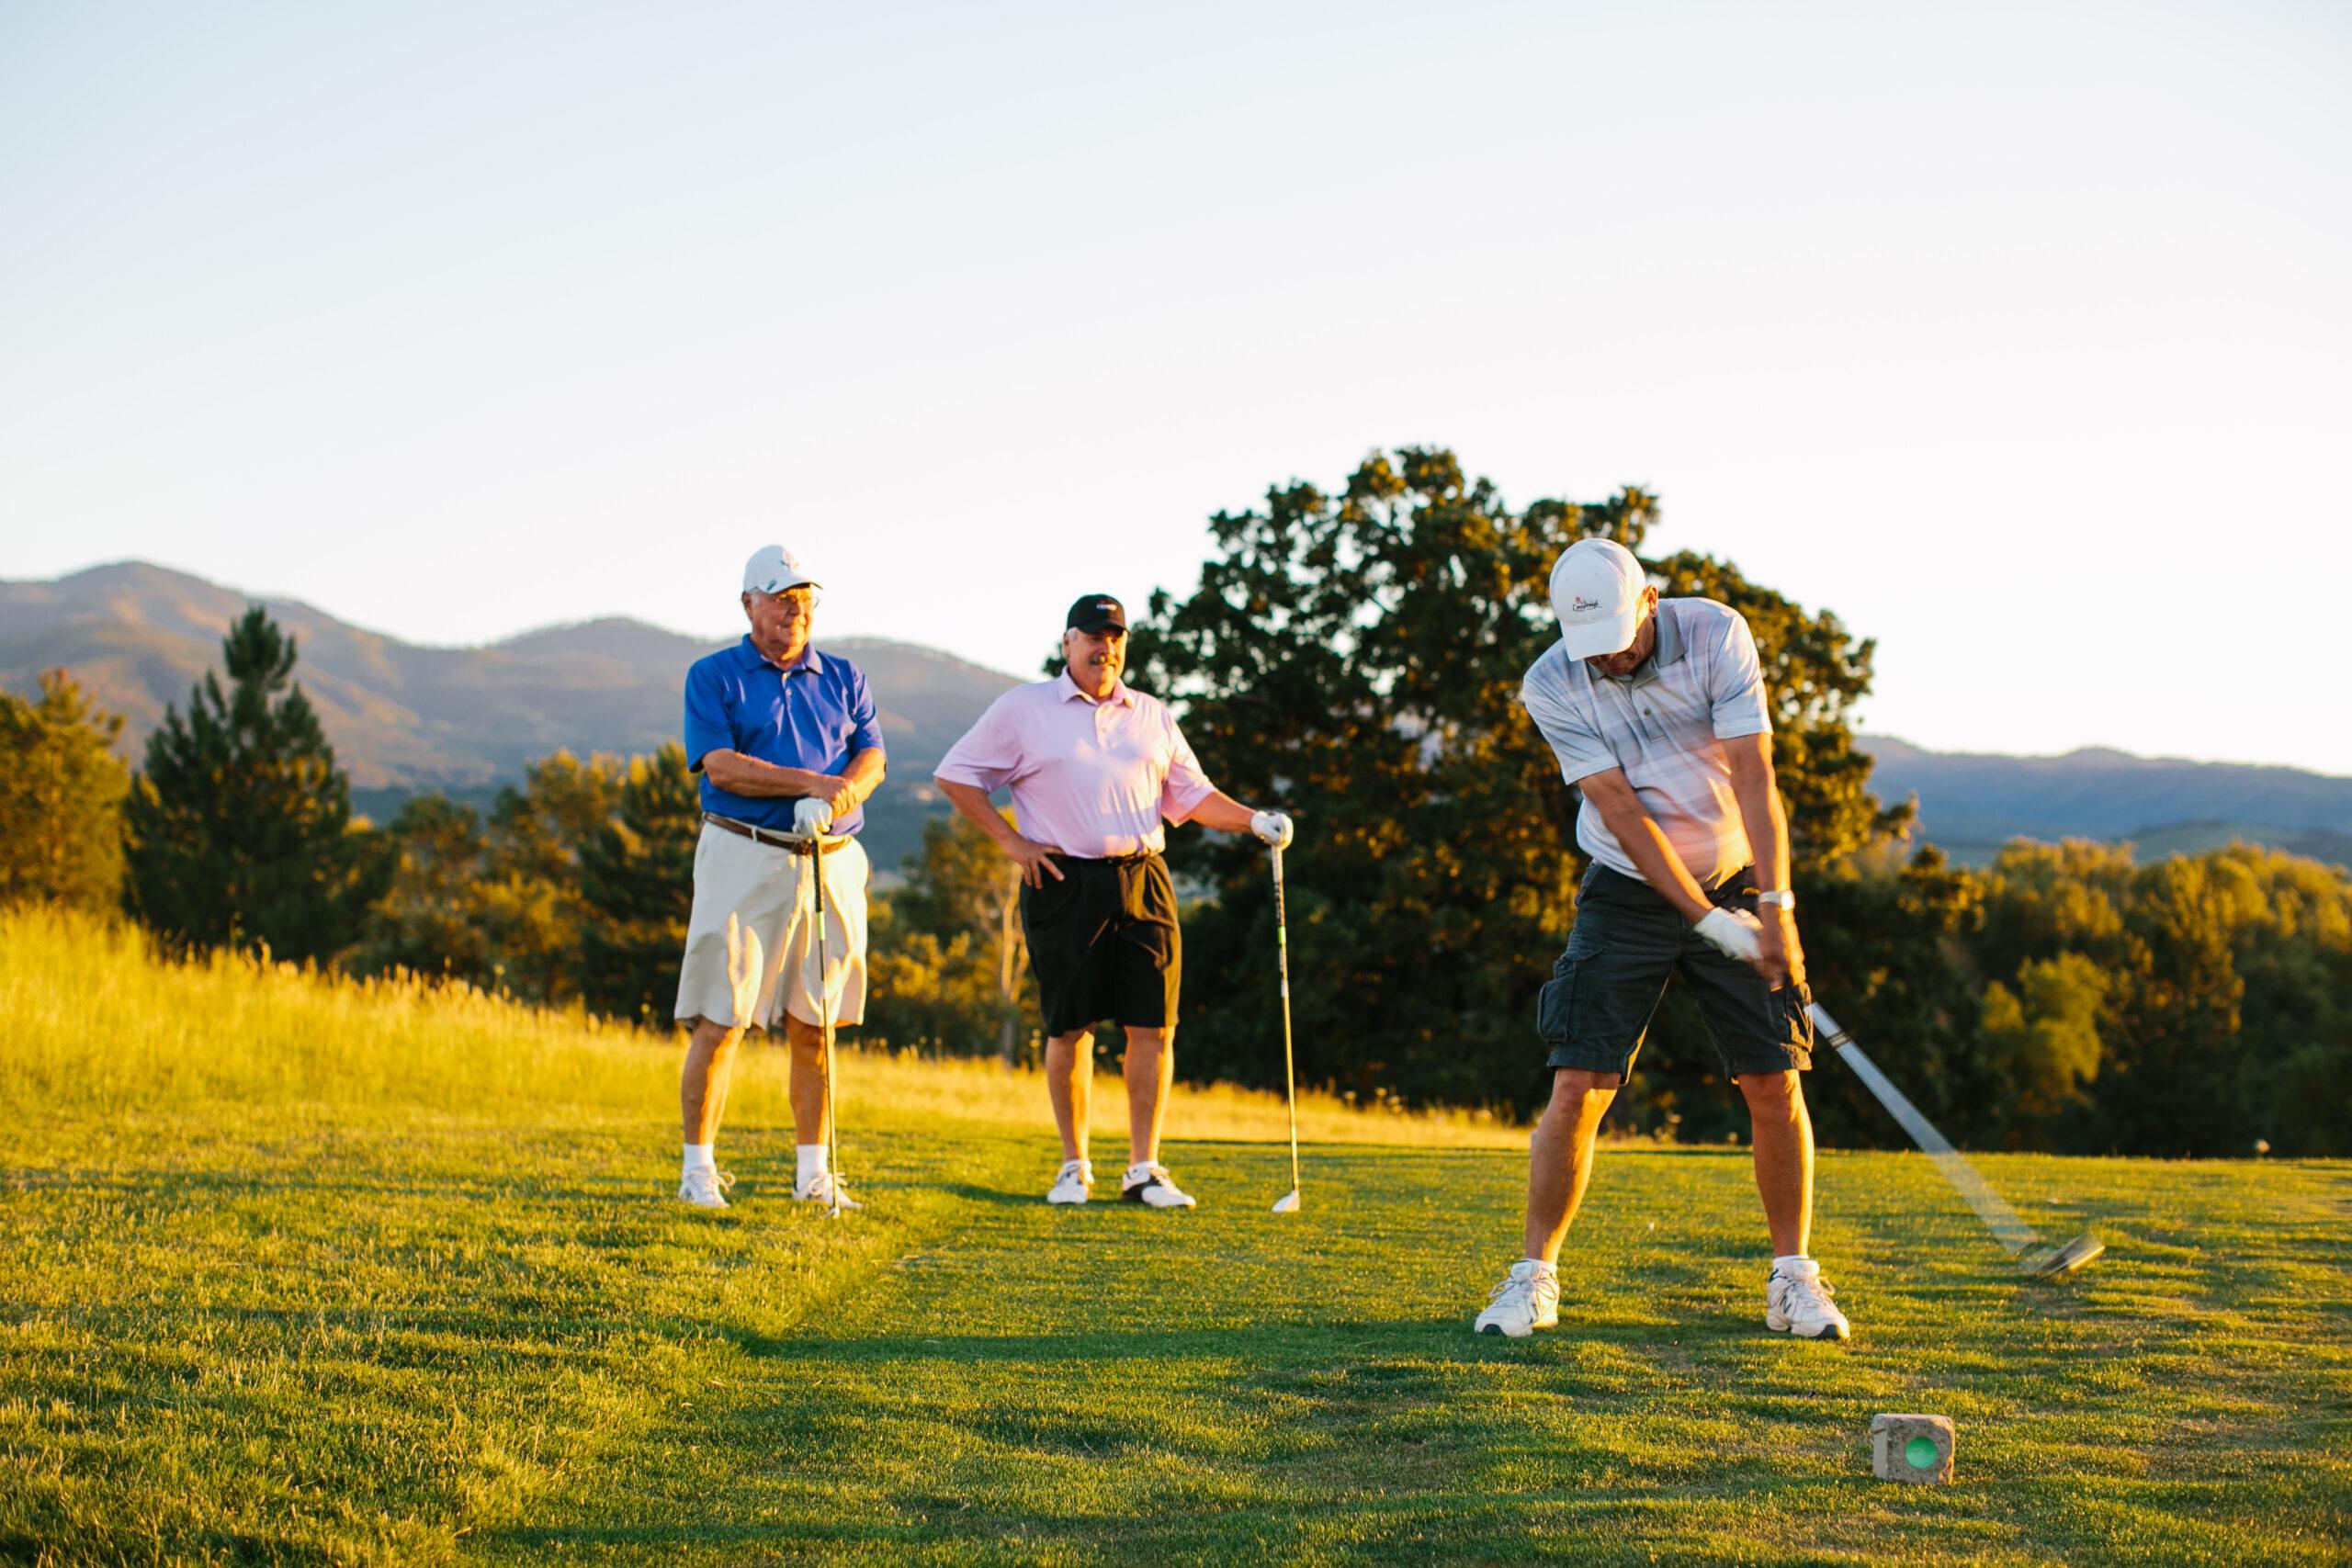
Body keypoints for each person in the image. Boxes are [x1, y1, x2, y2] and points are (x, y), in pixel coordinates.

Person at [1476, 536, 1851, 1341]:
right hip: (1627, 885)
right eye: (1591, 649)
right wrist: (1703, 918)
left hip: (1737, 871)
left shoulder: (1717, 634)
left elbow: (1755, 774)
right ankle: (1533, 1277)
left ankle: (1793, 1279)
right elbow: (1621, 809)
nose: (1606, 661)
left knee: (1774, 1077)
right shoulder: (1551, 682)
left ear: (1649, 603)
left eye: (1617, 639)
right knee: (1580, 1079)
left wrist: (1775, 907)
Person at [933, 593, 1293, 1209]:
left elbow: (1193, 795)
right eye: (1094, 636)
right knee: (1071, 1027)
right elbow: (955, 772)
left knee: (1153, 1025)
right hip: (1062, 881)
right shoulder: (1024, 709)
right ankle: (1074, 1165)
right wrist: (1012, 842)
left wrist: (1255, 820)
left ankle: (1144, 1169)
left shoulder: (1150, 714)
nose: (1107, 648)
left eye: (1116, 637)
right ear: (1068, 642)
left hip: (1144, 877)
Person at [672, 545, 886, 1212]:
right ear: (748, 605)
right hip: (745, 850)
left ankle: (814, 1175)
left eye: (805, 599)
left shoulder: (845, 675)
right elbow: (722, 767)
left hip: (830, 857)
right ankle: (698, 1171)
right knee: (722, 1015)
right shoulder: (713, 674)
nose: (796, 610)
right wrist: (812, 782)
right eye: (782, 598)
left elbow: (872, 755)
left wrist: (841, 796)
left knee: (815, 1022)